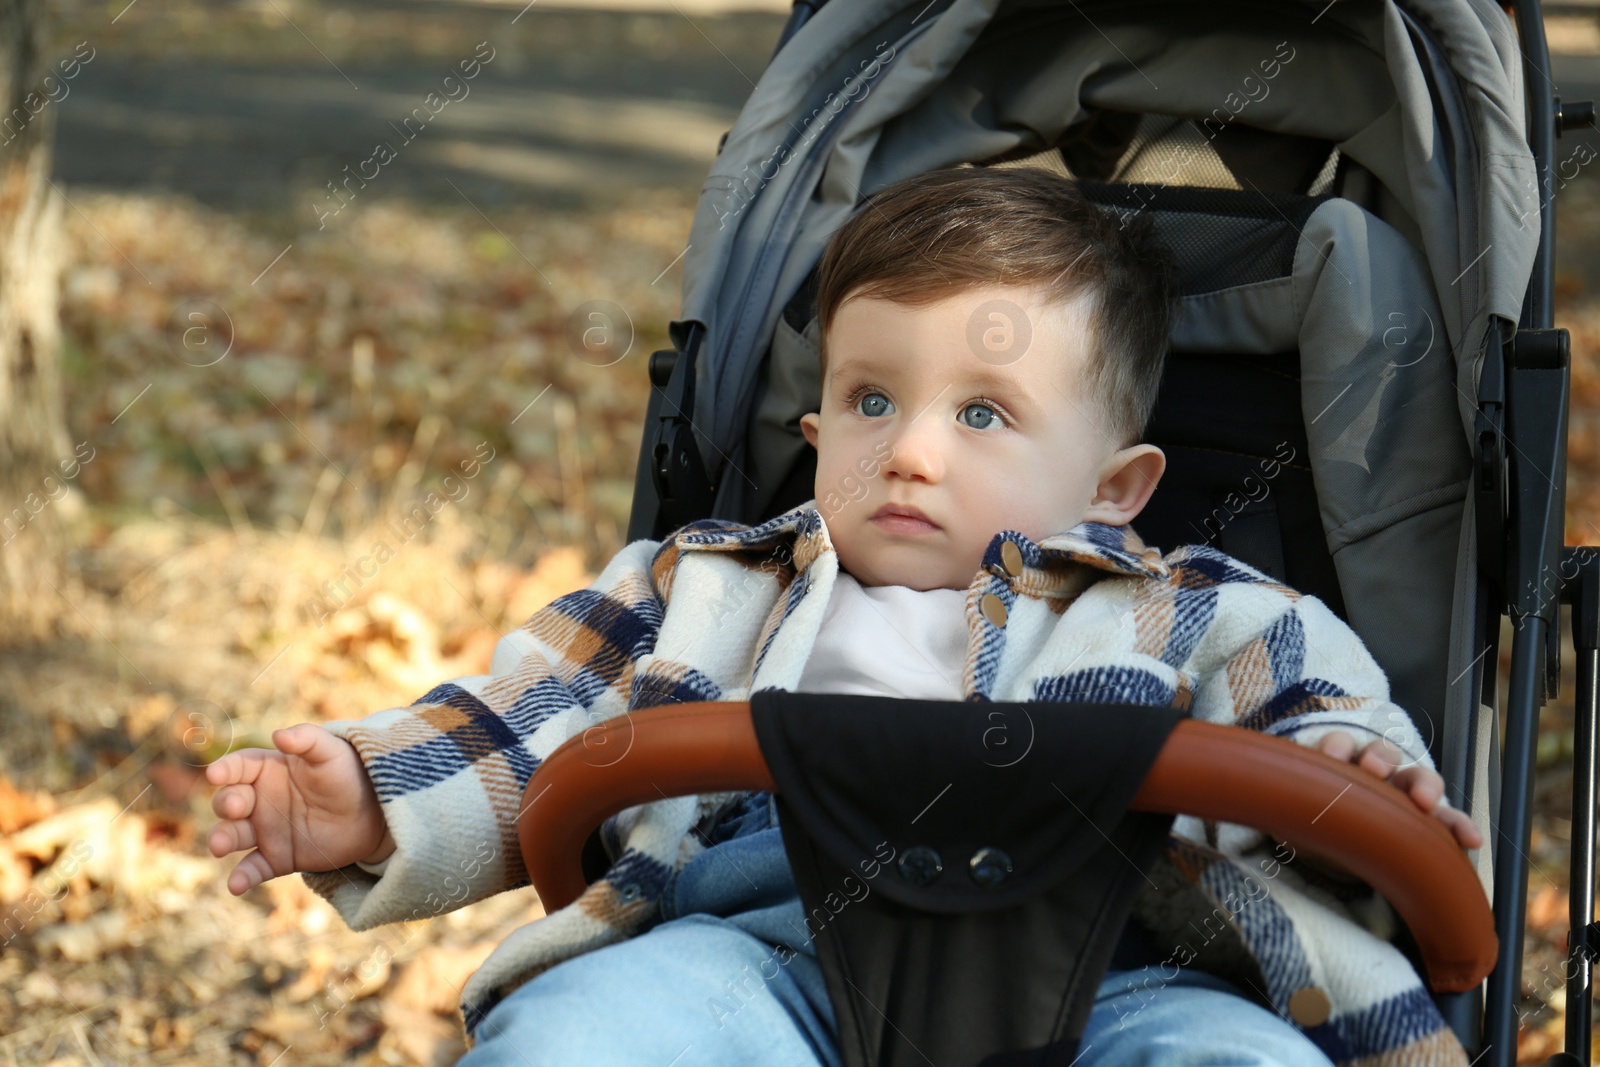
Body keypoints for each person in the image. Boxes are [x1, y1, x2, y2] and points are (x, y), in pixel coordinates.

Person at [206, 165, 1483, 1067]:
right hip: (760, 952)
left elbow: (1322, 726)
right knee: (588, 1032)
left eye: (981, 413)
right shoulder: (711, 584)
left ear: (1115, 488)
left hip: (1123, 971)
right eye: (872, 400)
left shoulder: (1201, 609)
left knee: (1231, 1057)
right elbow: (536, 718)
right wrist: (369, 793)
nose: (910, 451)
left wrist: (1349, 780)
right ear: (812, 433)